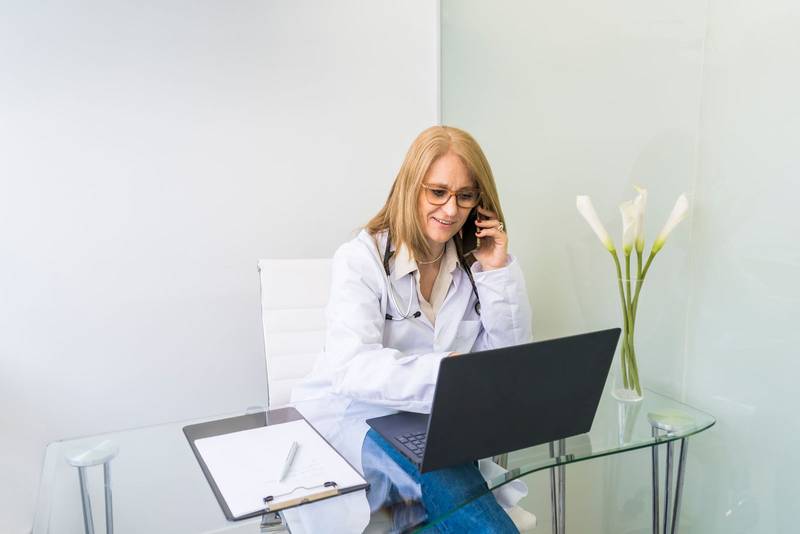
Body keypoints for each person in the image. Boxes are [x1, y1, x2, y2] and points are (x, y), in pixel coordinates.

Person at [291, 125, 533, 532]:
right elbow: (352, 368)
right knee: (457, 499)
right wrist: (448, 373)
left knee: (446, 496)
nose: (451, 210)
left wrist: (496, 272)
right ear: (410, 188)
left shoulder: (474, 267)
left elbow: (509, 363)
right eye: (437, 192)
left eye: (465, 196)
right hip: (359, 418)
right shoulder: (361, 259)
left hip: (434, 426)